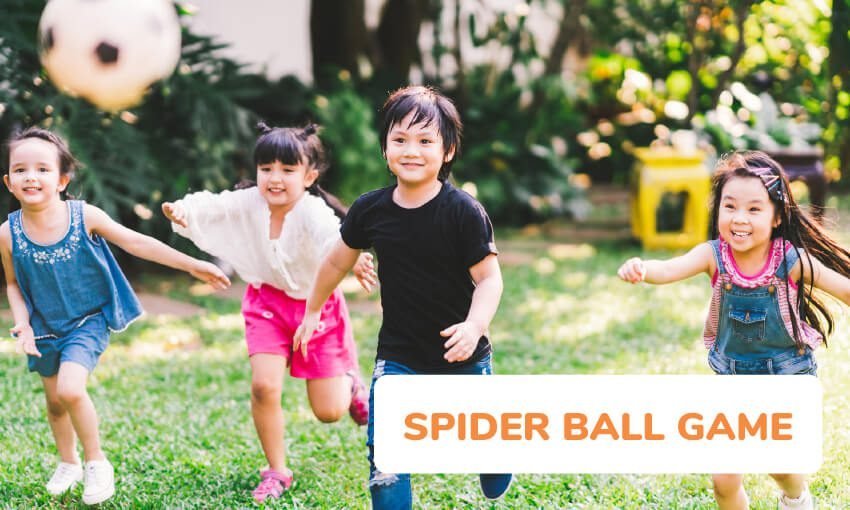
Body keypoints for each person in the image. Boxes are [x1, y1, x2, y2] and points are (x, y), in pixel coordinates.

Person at [295, 85, 513, 509]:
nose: (411, 150)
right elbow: (334, 264)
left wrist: (474, 326)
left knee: (480, 435)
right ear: (385, 149)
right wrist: (312, 311)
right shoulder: (370, 210)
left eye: (425, 141)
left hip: (462, 353)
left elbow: (490, 280)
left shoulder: (463, 211)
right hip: (398, 355)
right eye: (400, 139)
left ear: (447, 151)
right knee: (388, 458)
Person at [1, 127, 231, 505]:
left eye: (42, 168)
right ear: (9, 182)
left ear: (61, 180)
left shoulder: (83, 216)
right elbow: (12, 284)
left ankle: (96, 462)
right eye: (21, 169)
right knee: (56, 403)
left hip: (86, 321)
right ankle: (68, 462)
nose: (31, 176)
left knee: (70, 389)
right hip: (42, 328)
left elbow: (136, 242)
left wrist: (191, 265)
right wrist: (23, 322)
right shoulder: (7, 234)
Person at [617, 151, 850, 510]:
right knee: (724, 480)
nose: (740, 218)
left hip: (787, 377)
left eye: (754, 209)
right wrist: (642, 268)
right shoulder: (713, 255)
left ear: (776, 217)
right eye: (730, 206)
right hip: (733, 379)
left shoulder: (789, 259)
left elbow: (843, 288)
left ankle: (796, 498)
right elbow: (669, 269)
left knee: (781, 466)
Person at [162, 122, 375, 503]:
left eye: (287, 170)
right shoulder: (250, 203)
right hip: (266, 305)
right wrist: (183, 210)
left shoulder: (311, 211)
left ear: (309, 176)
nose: (275, 179)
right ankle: (277, 470)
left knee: (329, 412)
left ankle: (352, 382)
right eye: (266, 169)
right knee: (264, 386)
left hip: (315, 305)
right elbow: (215, 203)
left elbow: (334, 238)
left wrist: (353, 259)